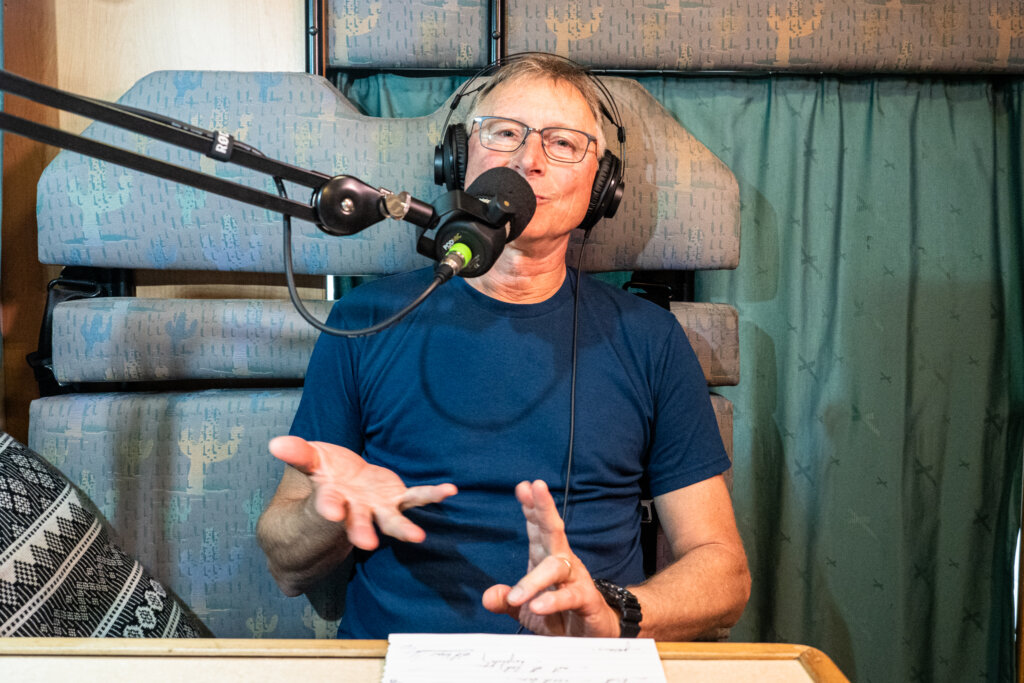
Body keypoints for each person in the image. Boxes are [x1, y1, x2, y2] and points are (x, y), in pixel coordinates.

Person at [256, 53, 750, 640]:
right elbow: (285, 567)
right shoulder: (365, 320)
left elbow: (724, 573)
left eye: (562, 143)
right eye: (505, 133)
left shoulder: (651, 339)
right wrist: (328, 514)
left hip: (579, 665)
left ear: (601, 187)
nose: (527, 159)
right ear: (458, 159)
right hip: (404, 663)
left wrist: (614, 612)